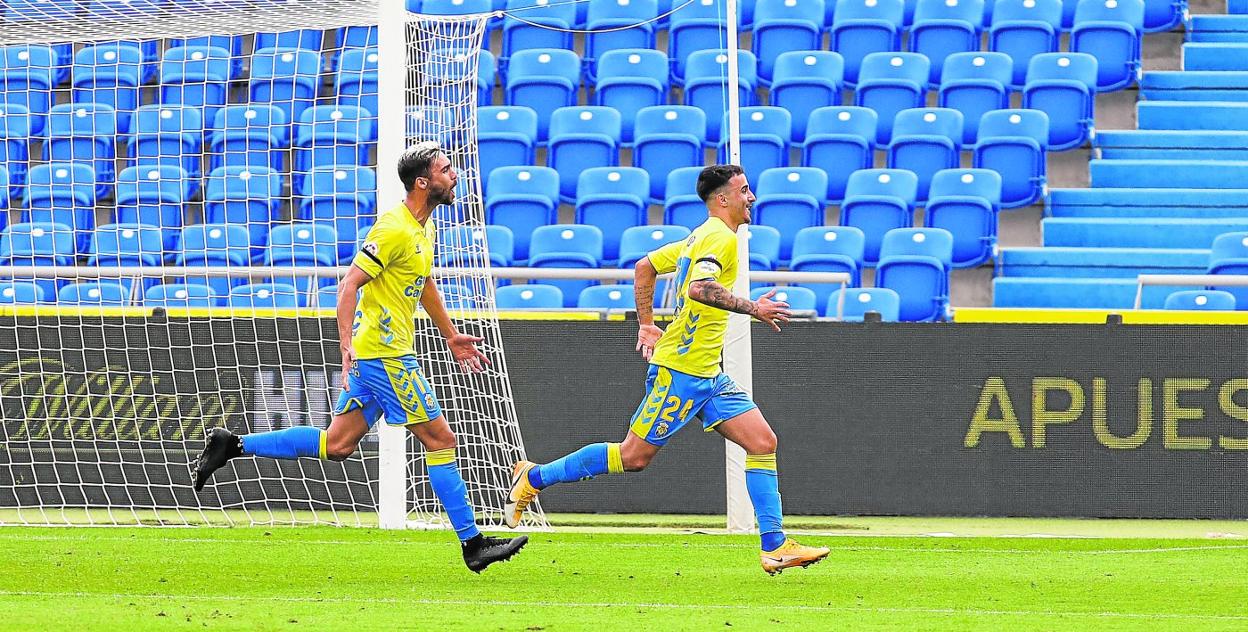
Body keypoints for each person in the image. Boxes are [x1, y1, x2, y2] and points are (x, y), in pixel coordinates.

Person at [192, 141, 528, 573]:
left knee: (338, 444)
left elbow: (423, 282)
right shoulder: (393, 229)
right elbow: (349, 283)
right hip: (386, 356)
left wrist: (450, 335)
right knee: (441, 440)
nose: (455, 175)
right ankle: (473, 543)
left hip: (378, 355)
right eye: (446, 170)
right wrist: (345, 344)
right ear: (422, 183)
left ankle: (233, 445)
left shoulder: (424, 228)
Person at [504, 164, 829, 575]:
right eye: (744, 190)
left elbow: (645, 266)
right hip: (681, 371)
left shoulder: (699, 236)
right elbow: (700, 288)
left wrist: (646, 324)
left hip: (708, 373)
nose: (751, 197)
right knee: (633, 456)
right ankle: (534, 477)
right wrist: (754, 308)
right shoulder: (720, 238)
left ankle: (775, 546)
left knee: (763, 442)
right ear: (722, 198)